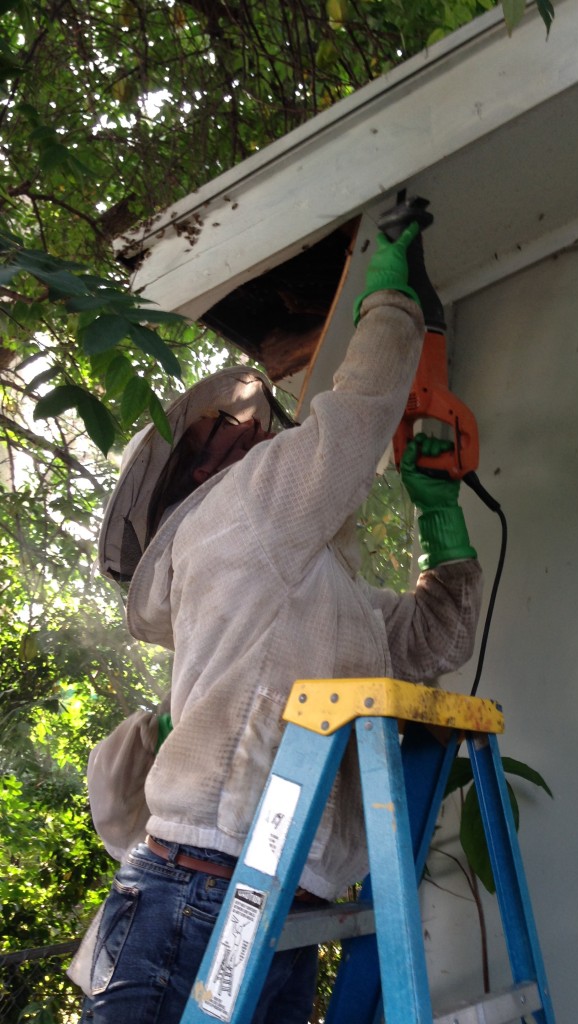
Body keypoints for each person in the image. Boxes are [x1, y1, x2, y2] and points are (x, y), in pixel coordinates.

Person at [71, 219, 483, 1023]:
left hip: (264, 900)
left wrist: (443, 520)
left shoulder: (305, 591)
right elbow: (355, 416)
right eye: (235, 436)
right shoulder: (234, 519)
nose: (263, 439)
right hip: (208, 890)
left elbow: (435, 638)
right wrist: (391, 299)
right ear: (201, 475)